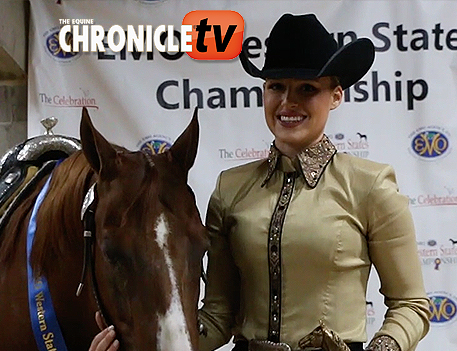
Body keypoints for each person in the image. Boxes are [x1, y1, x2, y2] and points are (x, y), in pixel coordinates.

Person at [90, 13, 431, 351]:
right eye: (276, 87)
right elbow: (218, 318)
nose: (288, 102)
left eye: (307, 89)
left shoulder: (371, 185)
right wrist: (138, 343)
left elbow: (411, 305)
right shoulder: (231, 188)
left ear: (336, 95)